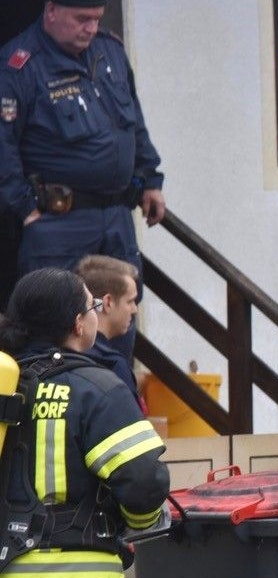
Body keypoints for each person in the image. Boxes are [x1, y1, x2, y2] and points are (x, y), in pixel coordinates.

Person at [0, 266, 170, 578]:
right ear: (79, 323)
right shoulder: (97, 388)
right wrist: (137, 527)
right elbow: (144, 481)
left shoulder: (5, 386)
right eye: (93, 306)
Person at [0, 0, 166, 361]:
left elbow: (133, 122)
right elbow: (3, 147)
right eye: (81, 19)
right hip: (59, 222)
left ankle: (114, 392)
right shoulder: (20, 64)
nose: (90, 28)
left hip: (116, 216)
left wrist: (151, 178)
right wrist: (25, 208)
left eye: (96, 19)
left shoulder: (110, 52)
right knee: (57, 331)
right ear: (52, 11)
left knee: (119, 321)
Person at [75, 253, 142, 409]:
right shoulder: (113, 365)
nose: (135, 309)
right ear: (108, 303)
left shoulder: (57, 353)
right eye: (130, 301)